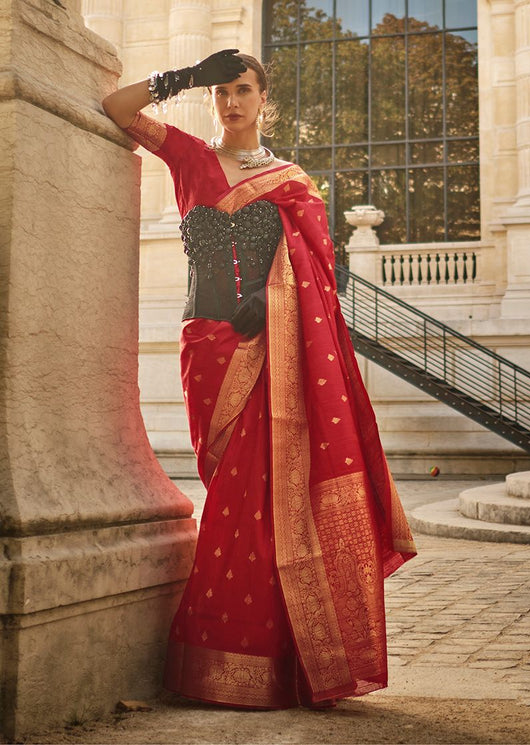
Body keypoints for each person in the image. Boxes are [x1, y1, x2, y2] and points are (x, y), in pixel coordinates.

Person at [103, 49, 417, 710]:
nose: (230, 102)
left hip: (268, 348)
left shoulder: (291, 182)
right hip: (208, 348)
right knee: (227, 489)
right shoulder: (189, 157)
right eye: (219, 92)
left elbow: (319, 282)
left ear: (262, 98)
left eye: (241, 89)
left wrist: (271, 305)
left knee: (264, 503)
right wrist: (182, 77)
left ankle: (274, 660)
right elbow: (117, 108)